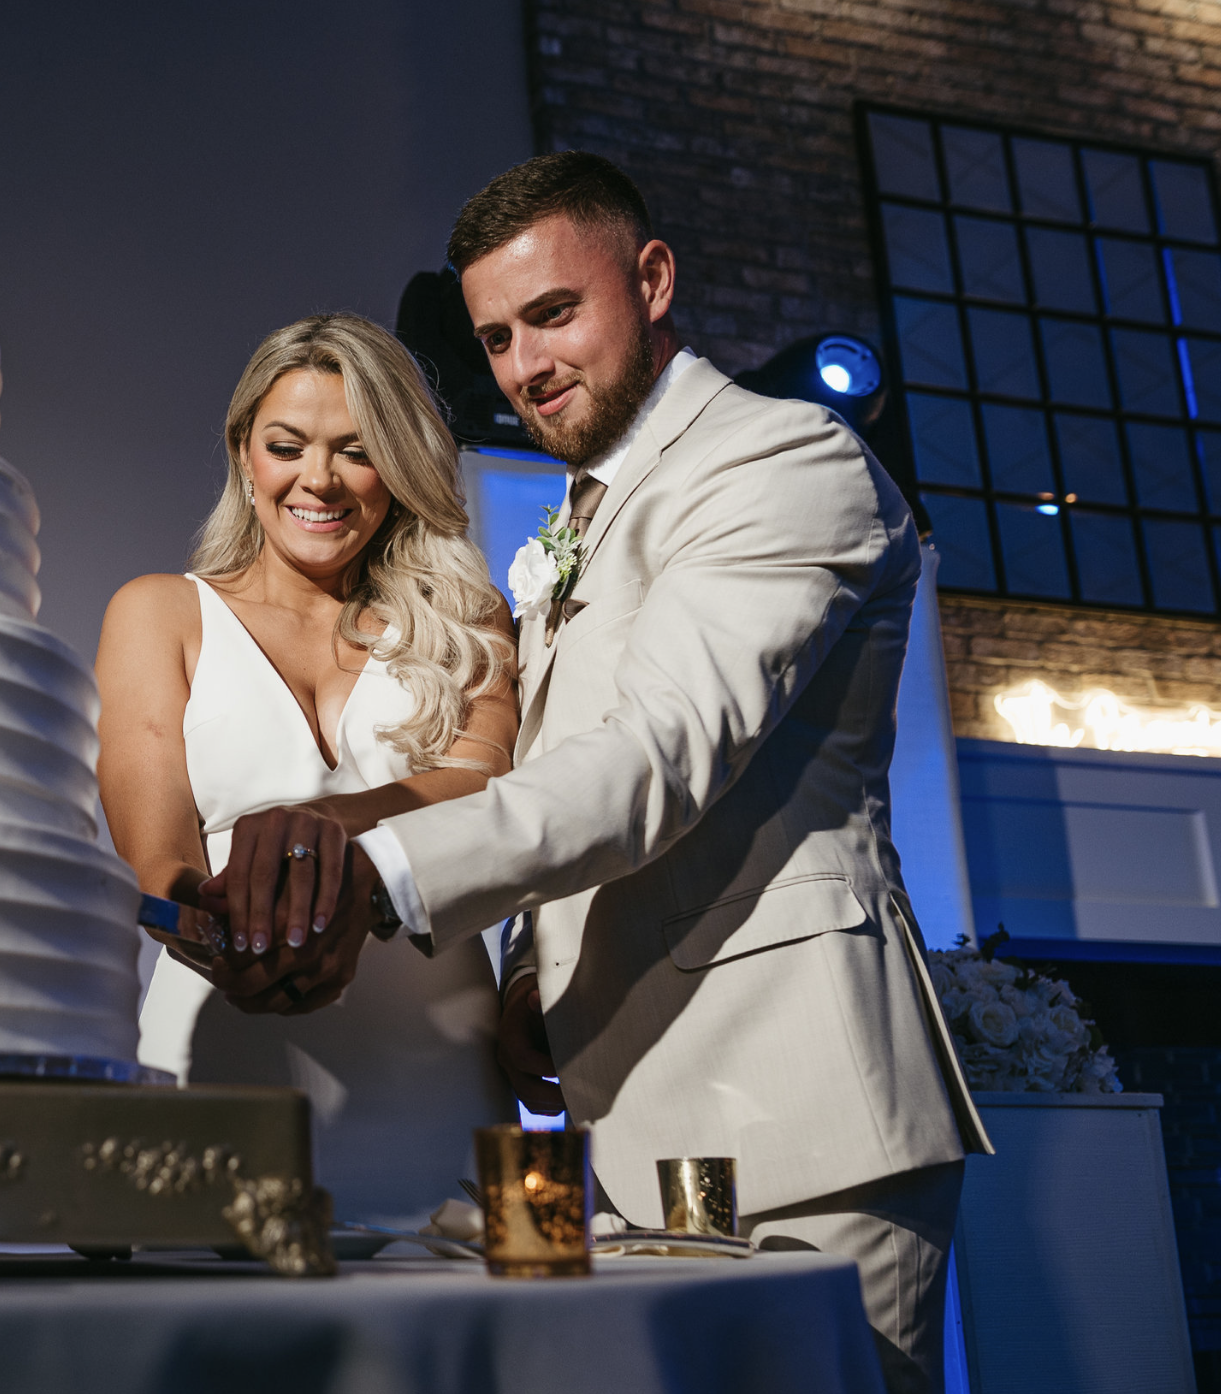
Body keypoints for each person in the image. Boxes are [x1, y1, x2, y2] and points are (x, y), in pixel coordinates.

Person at [206, 154, 988, 1394]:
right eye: (498, 337)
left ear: (652, 278)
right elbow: (575, 780)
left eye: (553, 313)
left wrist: (376, 867)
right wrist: (532, 972)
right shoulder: (581, 515)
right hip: (621, 1136)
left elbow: (657, 758)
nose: (525, 365)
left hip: (799, 1124)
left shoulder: (778, 460)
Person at [95, 313, 519, 1224]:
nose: (317, 479)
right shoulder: (159, 612)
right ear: (245, 457)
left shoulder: (467, 615)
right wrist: (211, 933)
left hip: (436, 1061)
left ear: (398, 468)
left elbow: (485, 792)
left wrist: (317, 826)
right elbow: (157, 849)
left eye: (356, 451)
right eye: (287, 446)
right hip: (223, 1046)